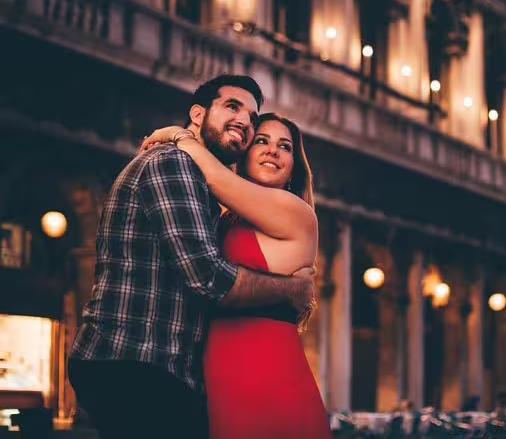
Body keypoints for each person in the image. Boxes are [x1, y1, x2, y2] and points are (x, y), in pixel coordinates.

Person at [68, 75, 316, 439]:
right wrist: (290, 290)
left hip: (193, 364)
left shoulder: (256, 198)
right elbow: (207, 277)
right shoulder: (176, 164)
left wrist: (182, 135)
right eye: (233, 107)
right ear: (198, 114)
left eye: (251, 119)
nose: (245, 124)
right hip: (138, 359)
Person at [141, 112, 331, 438]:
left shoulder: (295, 211)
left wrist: (179, 134)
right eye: (262, 141)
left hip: (265, 371)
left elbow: (216, 178)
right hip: (219, 369)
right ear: (244, 155)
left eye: (284, 147)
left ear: (293, 168)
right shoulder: (227, 217)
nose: (273, 150)